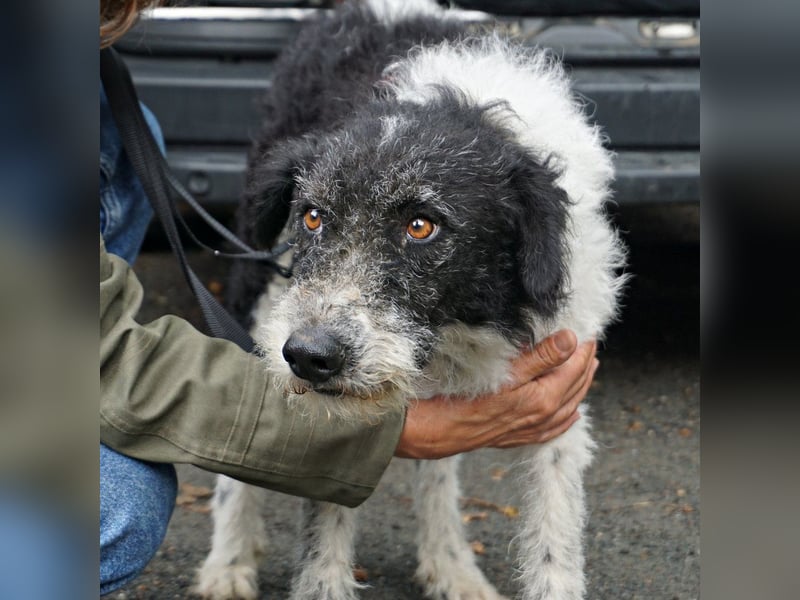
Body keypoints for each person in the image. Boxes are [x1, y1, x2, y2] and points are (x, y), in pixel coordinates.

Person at [99, 0, 599, 594]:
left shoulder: (540, 206)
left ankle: (448, 553)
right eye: (309, 216)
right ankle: (260, 547)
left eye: (419, 227)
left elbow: (551, 415)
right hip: (332, 91)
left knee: (439, 358)